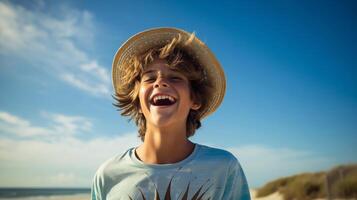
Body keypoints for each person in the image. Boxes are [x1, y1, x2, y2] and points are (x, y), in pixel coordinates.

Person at [91, 27, 251, 200]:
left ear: (195, 99)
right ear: (137, 101)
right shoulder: (108, 175)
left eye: (175, 77)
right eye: (150, 78)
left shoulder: (223, 167)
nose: (160, 83)